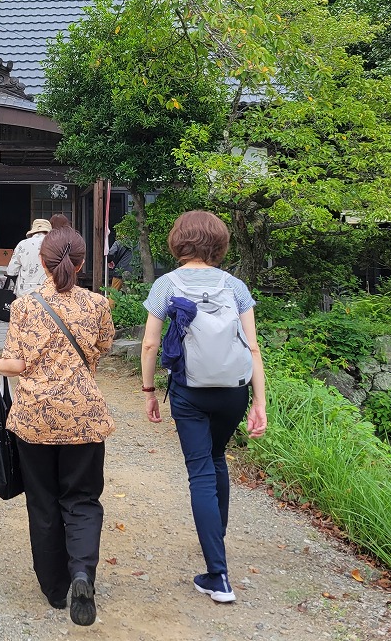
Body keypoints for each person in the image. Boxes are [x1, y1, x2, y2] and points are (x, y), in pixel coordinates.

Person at [0, 226, 113, 626]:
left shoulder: (25, 307)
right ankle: (82, 575)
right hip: (84, 418)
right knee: (83, 499)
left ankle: (55, 590)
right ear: (83, 263)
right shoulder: (98, 304)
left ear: (42, 262)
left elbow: (17, 364)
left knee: (43, 501)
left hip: (35, 419)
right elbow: (102, 348)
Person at [138, 210, 267, 605]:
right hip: (233, 389)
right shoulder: (235, 286)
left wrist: (148, 391)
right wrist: (259, 401)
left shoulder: (167, 284)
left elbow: (149, 345)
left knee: (200, 472)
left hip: (190, 390)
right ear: (219, 242)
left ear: (179, 240)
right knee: (217, 458)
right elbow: (253, 346)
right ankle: (217, 539)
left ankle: (218, 574)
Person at [4, 217, 52, 298]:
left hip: (24, 294)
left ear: (33, 232)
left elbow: (11, 271)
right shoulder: (54, 245)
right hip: (47, 293)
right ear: (48, 232)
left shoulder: (22, 244)